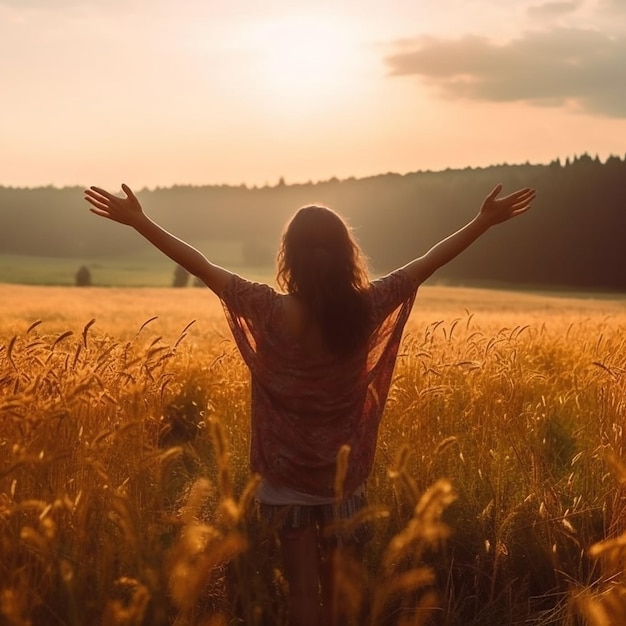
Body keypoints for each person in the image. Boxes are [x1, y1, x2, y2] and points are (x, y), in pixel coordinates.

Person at [84, 182, 535, 626]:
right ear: (346, 256)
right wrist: (481, 221)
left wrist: (140, 222)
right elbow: (422, 266)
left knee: (302, 594)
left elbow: (200, 265)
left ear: (290, 258)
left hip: (283, 477)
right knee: (338, 595)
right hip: (342, 478)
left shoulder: (265, 308)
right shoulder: (367, 307)